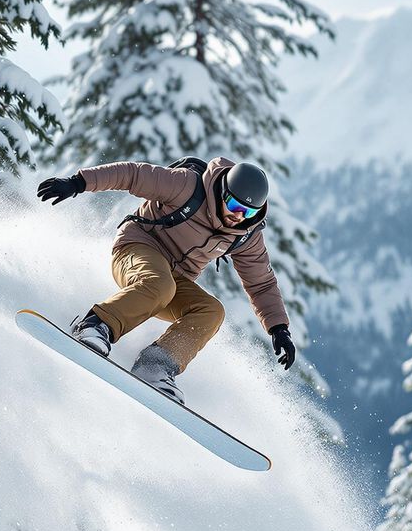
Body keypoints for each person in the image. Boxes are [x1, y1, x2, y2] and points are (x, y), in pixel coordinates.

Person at [37, 158, 296, 405]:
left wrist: (278, 328)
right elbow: (133, 174)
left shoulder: (246, 235)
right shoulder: (187, 186)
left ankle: (156, 365)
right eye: (234, 205)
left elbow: (261, 283)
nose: (238, 215)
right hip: (136, 248)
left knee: (211, 311)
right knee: (160, 284)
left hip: (173, 280)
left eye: (248, 211)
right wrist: (78, 182)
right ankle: (94, 325)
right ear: (222, 191)